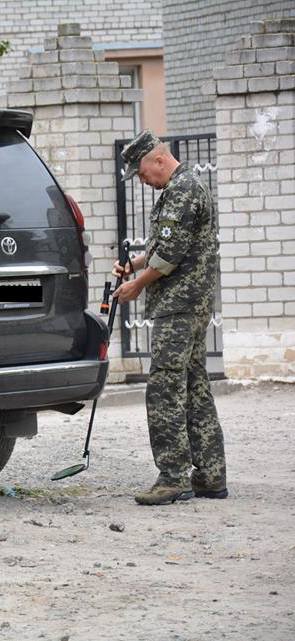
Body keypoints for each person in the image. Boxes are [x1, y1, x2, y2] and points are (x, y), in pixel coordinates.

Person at [112, 130, 228, 506]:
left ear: (158, 160)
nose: (143, 181)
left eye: (143, 173)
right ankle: (210, 476)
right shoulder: (180, 189)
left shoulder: (182, 190)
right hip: (188, 304)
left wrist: (137, 285)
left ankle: (173, 476)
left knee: (164, 387)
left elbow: (170, 257)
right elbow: (167, 245)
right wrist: (135, 264)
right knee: (194, 385)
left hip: (179, 306)